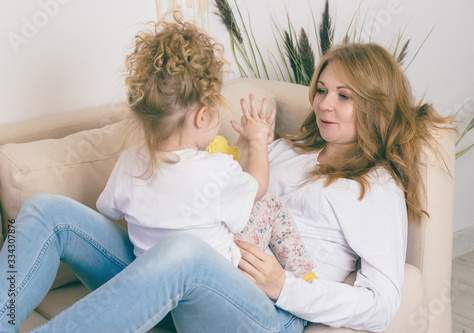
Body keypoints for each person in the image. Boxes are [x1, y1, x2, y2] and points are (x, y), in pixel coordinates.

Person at [0, 25, 451, 333]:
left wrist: (284, 285)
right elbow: (208, 190)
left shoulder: (374, 187)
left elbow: (382, 303)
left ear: (375, 105)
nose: (324, 105)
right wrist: (251, 144)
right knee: (48, 210)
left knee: (183, 252)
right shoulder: (287, 149)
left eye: (344, 96)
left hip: (266, 310)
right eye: (321, 90)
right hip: (187, 280)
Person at [95, 17, 314, 278]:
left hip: (155, 285)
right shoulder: (215, 171)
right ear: (202, 117)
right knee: (270, 203)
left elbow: (108, 209)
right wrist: (257, 142)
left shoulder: (130, 162)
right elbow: (256, 186)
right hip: (218, 288)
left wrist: (243, 142)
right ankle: (306, 276)